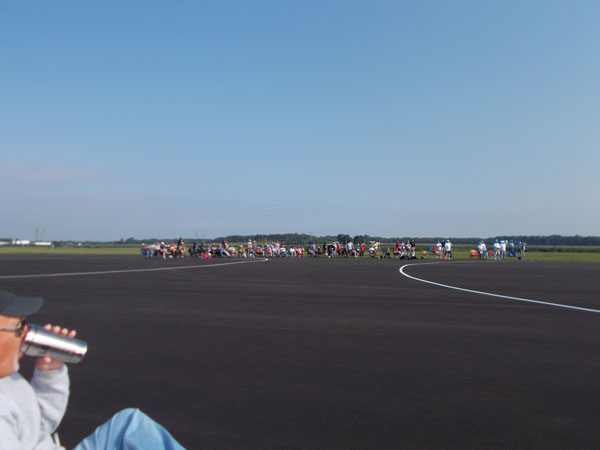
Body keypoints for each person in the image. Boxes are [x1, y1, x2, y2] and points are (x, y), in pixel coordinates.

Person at [0, 289, 185, 449]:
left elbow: (38, 424)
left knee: (129, 424)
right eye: (19, 327)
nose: (26, 334)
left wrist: (49, 372)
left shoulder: (9, 380)